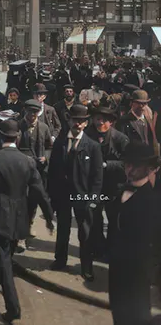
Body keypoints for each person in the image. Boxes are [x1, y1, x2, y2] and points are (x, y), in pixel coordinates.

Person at [0, 119, 54, 323]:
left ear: (0, 136)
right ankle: (0, 277)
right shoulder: (28, 161)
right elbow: (40, 192)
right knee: (8, 250)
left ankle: (13, 307)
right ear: (18, 137)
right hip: (21, 216)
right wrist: (49, 217)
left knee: (4, 258)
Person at [48, 104, 103, 281]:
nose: (77, 124)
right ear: (69, 120)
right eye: (75, 120)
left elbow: (97, 177)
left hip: (83, 196)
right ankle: (60, 260)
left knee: (85, 233)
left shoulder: (93, 146)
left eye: (81, 121)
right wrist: (52, 195)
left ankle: (86, 267)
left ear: (86, 124)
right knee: (63, 228)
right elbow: (53, 171)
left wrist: (92, 199)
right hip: (63, 195)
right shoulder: (61, 142)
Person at [108, 141, 160, 325]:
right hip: (117, 271)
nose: (130, 169)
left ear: (148, 168)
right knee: (119, 315)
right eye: (127, 164)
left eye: (136, 165)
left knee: (136, 317)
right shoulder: (120, 192)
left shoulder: (152, 200)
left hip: (138, 274)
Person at [85, 102, 128, 258]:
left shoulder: (120, 139)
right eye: (97, 119)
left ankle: (111, 250)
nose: (100, 122)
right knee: (94, 218)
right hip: (94, 186)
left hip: (114, 185)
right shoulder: (87, 135)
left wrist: (106, 164)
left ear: (111, 122)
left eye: (104, 120)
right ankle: (97, 248)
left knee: (113, 220)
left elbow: (127, 163)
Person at [19, 100, 53, 228]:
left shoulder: (44, 127)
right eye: (29, 112)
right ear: (25, 111)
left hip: (38, 170)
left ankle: (30, 222)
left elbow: (50, 146)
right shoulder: (18, 126)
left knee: (34, 198)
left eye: (35, 112)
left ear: (38, 113)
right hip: (21, 170)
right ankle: (22, 228)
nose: (32, 115)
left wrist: (46, 157)